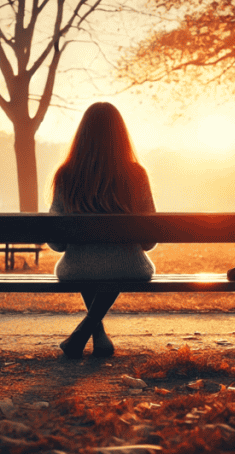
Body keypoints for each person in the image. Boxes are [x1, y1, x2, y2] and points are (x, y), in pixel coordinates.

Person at [48, 102, 156, 358]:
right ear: (121, 135)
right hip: (129, 268)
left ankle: (92, 333)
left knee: (91, 265)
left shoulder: (66, 175)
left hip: (77, 268)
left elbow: (57, 243)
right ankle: (90, 332)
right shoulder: (136, 175)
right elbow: (149, 240)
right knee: (113, 266)